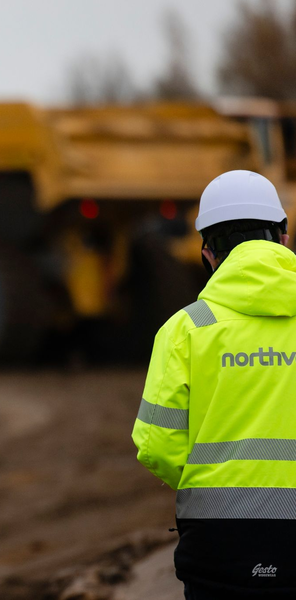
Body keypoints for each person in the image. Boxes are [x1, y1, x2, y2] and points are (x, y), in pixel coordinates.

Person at [132, 169, 296, 599]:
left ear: (207, 252)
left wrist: (212, 485)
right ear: (282, 236)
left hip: (219, 549)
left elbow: (156, 446)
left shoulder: (184, 330)